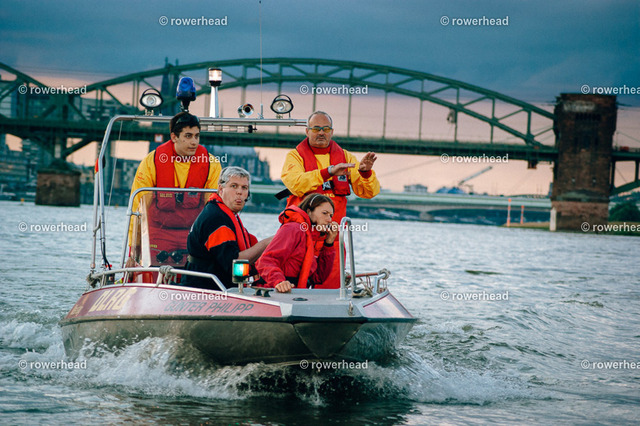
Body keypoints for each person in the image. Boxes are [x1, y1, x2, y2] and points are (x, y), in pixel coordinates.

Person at [280, 111, 380, 287]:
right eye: (316, 128)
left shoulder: (347, 158)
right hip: (300, 238)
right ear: (307, 131)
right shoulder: (295, 157)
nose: (321, 133)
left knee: (331, 290)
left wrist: (365, 172)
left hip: (332, 239)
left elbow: (369, 192)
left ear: (332, 132)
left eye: (325, 129)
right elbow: (296, 184)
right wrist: (329, 172)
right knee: (294, 284)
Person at [127, 112, 222, 265]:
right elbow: (137, 208)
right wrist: (133, 251)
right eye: (188, 136)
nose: (194, 142)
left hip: (194, 235)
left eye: (197, 136)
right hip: (157, 234)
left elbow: (215, 210)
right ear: (174, 137)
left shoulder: (212, 164)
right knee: (151, 273)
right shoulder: (152, 162)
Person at [184, 167, 272, 289]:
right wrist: (267, 243)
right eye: (234, 186)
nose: (239, 192)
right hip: (206, 290)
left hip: (214, 286)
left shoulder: (220, 212)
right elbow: (234, 263)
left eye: (244, 188)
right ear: (221, 189)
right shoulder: (217, 220)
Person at [256, 194, 338, 293]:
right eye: (324, 213)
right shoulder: (293, 229)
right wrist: (279, 281)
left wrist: (329, 243)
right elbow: (266, 260)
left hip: (297, 293)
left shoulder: (311, 237)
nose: (329, 219)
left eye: (330, 215)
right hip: (276, 291)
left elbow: (318, 278)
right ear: (309, 211)